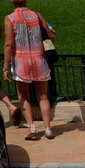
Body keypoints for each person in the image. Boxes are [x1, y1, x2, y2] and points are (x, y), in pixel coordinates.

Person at [3, 0, 55, 140]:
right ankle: (48, 129)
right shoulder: (37, 15)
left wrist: (5, 67)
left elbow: (9, 44)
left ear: (11, 2)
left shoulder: (10, 18)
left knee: (23, 95)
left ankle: (31, 127)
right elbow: (50, 37)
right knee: (43, 96)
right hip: (39, 60)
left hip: (21, 62)